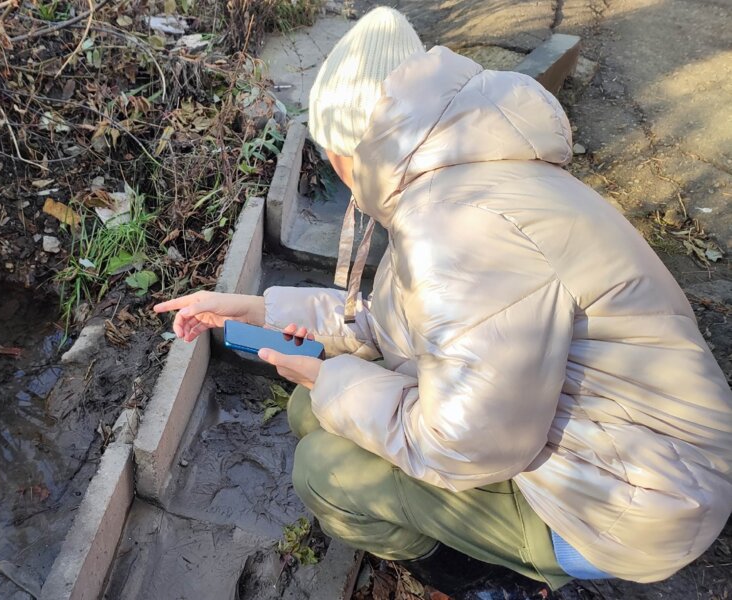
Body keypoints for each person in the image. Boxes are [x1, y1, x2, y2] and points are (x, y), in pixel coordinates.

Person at [154, 6, 732, 598]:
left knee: (324, 472)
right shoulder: (464, 178)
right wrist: (256, 309)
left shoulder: (455, 230)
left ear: (351, 149)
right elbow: (387, 326)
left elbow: (464, 447)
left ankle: (489, 583)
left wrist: (330, 379)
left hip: (632, 504)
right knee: (311, 413)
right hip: (630, 453)